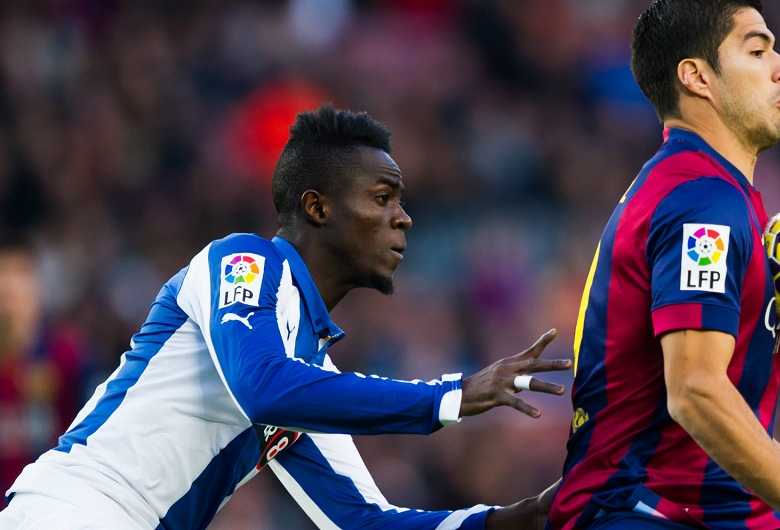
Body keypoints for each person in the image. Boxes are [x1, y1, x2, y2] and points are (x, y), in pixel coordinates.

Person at [0, 104, 572, 529]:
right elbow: (262, 386)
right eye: (383, 197)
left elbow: (361, 521)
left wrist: (521, 516)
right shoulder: (243, 262)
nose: (404, 219)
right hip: (73, 510)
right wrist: (447, 397)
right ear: (317, 206)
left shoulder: (307, 374)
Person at [547, 0, 780, 530]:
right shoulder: (704, 207)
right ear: (697, 77)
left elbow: (707, 421)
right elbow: (696, 391)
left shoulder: (708, 192)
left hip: (697, 508)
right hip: (646, 514)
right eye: (758, 49)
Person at [0, 235, 88, 498]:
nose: (9, 285)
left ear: (38, 288)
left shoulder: (68, 357)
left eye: (21, 272)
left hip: (55, 509)